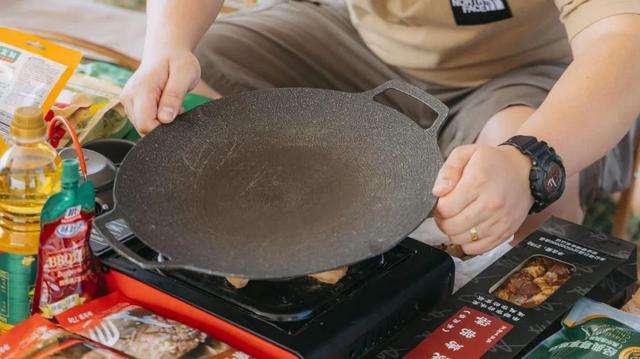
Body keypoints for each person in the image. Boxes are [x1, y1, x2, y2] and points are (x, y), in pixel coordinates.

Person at [120, 0, 640, 255]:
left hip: (521, 74)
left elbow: (624, 37)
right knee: (206, 58)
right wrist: (168, 45)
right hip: (360, 42)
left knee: (540, 181)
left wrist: (526, 158)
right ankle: (288, 244)